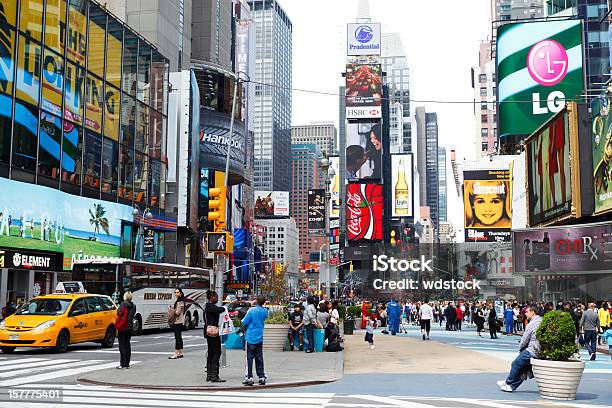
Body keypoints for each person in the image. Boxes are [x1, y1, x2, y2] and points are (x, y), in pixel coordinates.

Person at [498, 305, 542, 392]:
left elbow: (524, 340)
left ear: (532, 312)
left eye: (527, 312)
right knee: (523, 368)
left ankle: (508, 382)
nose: (525, 314)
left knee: (516, 364)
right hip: (539, 349)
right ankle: (511, 386)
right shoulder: (541, 320)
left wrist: (520, 348)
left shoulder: (531, 324)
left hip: (532, 350)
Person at [242, 295, 269, 386]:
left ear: (256, 301)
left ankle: (249, 377)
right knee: (259, 357)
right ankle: (261, 376)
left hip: (250, 336)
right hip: (259, 336)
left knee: (249, 358)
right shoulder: (265, 311)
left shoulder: (251, 311)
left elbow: (244, 322)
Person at [204, 290, 226, 382]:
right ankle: (214, 375)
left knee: (211, 353)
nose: (217, 299)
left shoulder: (207, 307)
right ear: (212, 297)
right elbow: (220, 310)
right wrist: (225, 307)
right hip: (213, 332)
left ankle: (209, 375)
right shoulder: (210, 306)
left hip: (208, 331)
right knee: (217, 352)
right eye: (216, 297)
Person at [116, 291, 136, 369]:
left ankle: (122, 364)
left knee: (122, 346)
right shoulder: (133, 306)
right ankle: (127, 364)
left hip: (122, 327)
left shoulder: (123, 304)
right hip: (129, 327)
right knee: (127, 345)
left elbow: (118, 313)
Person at [168, 288, 185, 359]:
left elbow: (177, 312)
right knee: (179, 337)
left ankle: (176, 353)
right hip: (180, 321)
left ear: (181, 293)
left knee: (177, 337)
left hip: (177, 321)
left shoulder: (179, 302)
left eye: (177, 292)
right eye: (175, 292)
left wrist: (171, 309)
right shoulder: (180, 301)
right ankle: (180, 352)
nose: (176, 294)